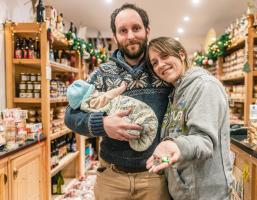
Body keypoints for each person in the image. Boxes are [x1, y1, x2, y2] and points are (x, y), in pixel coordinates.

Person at [64, 3, 171, 200]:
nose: (130, 36)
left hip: (155, 176)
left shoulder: (161, 69)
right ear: (115, 36)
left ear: (147, 30)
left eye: (136, 28)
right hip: (111, 178)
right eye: (123, 30)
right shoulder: (102, 73)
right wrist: (102, 124)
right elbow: (70, 115)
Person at [146, 37, 233, 200]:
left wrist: (175, 145)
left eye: (164, 56)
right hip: (185, 192)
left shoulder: (205, 86)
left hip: (206, 194)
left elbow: (204, 141)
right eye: (155, 63)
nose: (160, 65)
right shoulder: (175, 93)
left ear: (181, 54)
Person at [66, 79, 158, 152]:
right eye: (93, 91)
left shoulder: (159, 66)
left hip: (154, 163)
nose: (96, 91)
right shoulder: (95, 97)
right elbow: (69, 117)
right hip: (110, 168)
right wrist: (101, 123)